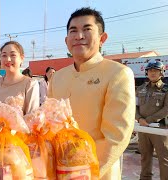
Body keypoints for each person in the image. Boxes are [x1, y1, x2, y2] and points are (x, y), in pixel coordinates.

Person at [48, 7, 135, 179]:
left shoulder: (118, 73)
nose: (79, 36)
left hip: (96, 173)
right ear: (67, 41)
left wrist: (82, 173)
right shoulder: (58, 77)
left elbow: (116, 137)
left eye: (87, 29)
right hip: (57, 170)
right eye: (74, 31)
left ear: (102, 38)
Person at [0, 41, 39, 115]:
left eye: (13, 55)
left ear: (21, 58)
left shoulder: (30, 84)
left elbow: (32, 117)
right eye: (4, 55)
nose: (8, 59)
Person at [135, 60, 168, 180]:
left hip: (159, 129)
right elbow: (134, 106)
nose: (152, 73)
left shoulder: (166, 89)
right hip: (143, 128)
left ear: (161, 73)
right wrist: (139, 119)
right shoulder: (140, 89)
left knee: (163, 158)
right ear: (147, 73)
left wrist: (148, 120)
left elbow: (166, 109)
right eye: (150, 71)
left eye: (156, 71)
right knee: (145, 156)